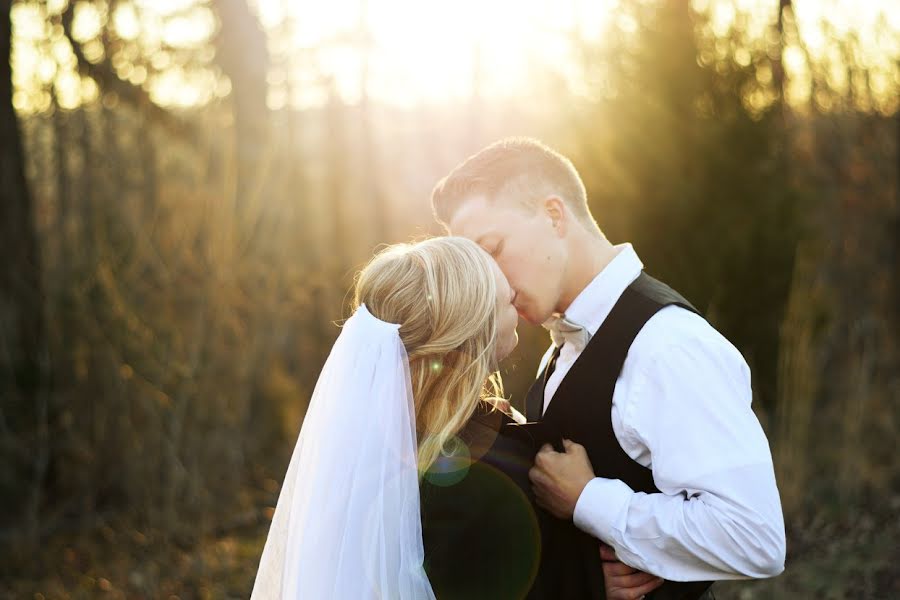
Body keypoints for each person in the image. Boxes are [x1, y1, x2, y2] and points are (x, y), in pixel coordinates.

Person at [431, 137, 787, 599]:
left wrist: (590, 501)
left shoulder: (668, 346)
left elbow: (753, 537)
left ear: (554, 215)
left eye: (493, 249)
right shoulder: (562, 346)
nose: (490, 282)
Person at [250, 236, 537, 599]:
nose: (514, 293)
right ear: (471, 327)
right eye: (506, 298)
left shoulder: (359, 453)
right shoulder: (482, 467)